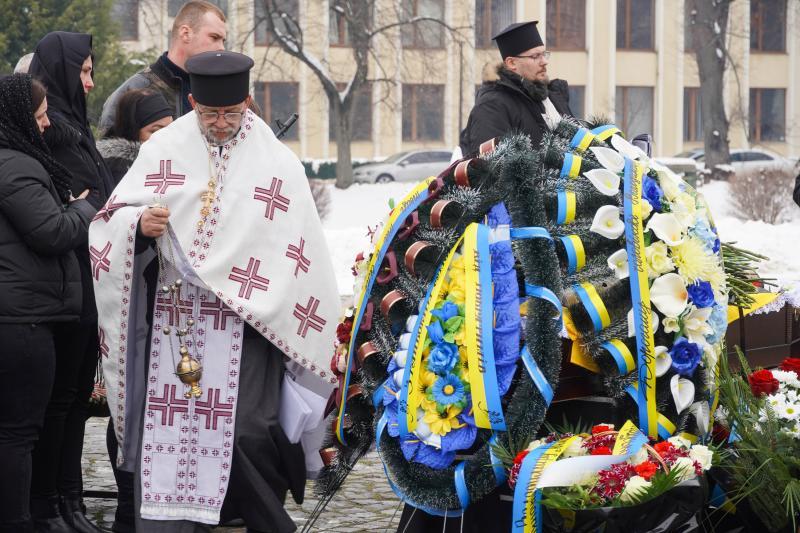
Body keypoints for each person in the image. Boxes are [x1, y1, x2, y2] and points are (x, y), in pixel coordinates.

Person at [90, 50, 339, 532]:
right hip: (176, 320)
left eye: (231, 113)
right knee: (169, 432)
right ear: (191, 103)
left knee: (249, 432)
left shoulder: (275, 162)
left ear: (247, 102)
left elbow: (296, 247)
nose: (220, 124)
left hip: (247, 322)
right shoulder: (164, 149)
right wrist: (139, 225)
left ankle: (266, 522)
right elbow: (108, 223)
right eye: (209, 114)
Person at [0, 73, 95, 533]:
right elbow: (51, 232)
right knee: (19, 432)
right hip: (24, 320)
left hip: (20, 313)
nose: (43, 126)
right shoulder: (16, 166)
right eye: (38, 117)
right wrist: (80, 208)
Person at [28, 31, 113, 533]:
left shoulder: (75, 130)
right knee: (59, 404)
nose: (90, 81)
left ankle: (71, 501)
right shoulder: (49, 135)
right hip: (62, 290)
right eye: (82, 71)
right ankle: (51, 504)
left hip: (87, 286)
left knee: (76, 401)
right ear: (60, 72)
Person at [99, 0, 226, 134]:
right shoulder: (134, 91)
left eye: (223, 41)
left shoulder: (215, 92)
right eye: (214, 37)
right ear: (185, 33)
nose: (222, 48)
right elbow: (111, 151)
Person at [459, 21, 574, 156]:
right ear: (512, 63)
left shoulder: (554, 97)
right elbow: (492, 166)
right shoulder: (493, 106)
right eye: (535, 56)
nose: (544, 61)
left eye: (544, 54)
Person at [98, 89, 174, 184]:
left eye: (171, 129)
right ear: (132, 130)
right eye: (155, 131)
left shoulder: (171, 163)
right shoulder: (119, 171)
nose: (167, 137)